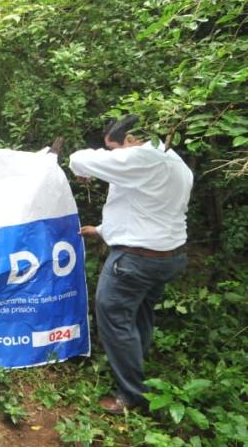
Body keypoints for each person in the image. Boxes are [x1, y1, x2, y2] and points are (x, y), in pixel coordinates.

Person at [68, 115, 192, 414]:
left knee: (113, 316)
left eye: (114, 149)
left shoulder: (145, 157)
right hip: (167, 255)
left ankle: (131, 394)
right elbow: (145, 208)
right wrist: (101, 230)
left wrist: (90, 166)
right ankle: (134, 367)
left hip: (137, 260)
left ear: (133, 139)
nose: (113, 155)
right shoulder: (172, 161)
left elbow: (77, 159)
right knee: (138, 316)